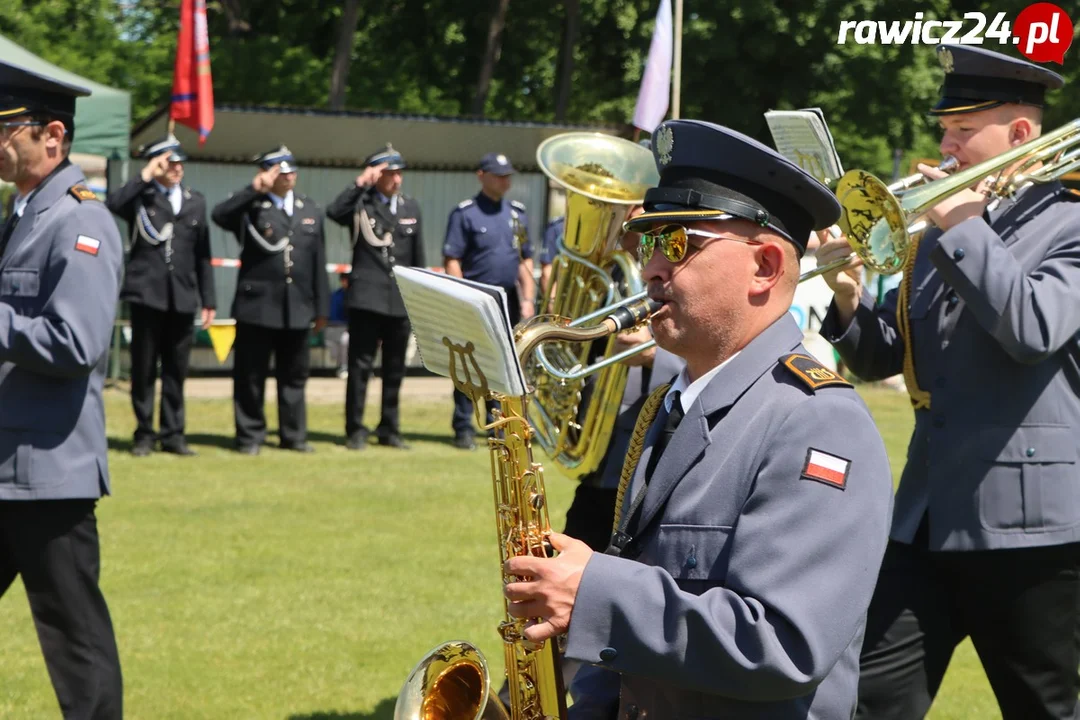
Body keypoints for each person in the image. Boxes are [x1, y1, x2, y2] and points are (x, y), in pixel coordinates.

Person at [501, 119, 894, 719]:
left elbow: (785, 643)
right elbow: (635, 655)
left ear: (765, 266)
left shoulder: (818, 422)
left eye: (677, 244)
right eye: (646, 243)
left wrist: (593, 591)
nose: (651, 268)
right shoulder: (669, 404)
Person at [815, 45, 1080, 720]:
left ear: (1020, 134)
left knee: (1044, 709)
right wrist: (847, 299)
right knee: (866, 700)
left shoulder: (1070, 219)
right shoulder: (938, 234)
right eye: (945, 128)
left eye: (963, 129)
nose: (945, 144)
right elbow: (888, 358)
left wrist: (962, 223)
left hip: (1031, 532)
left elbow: (1031, 328)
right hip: (926, 515)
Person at [0, 60, 123, 718]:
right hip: (7, 466)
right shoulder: (25, 214)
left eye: (3, 130)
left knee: (75, 643)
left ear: (52, 134)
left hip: (50, 473)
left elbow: (77, 343)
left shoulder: (83, 222)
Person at [211, 146, 329, 455]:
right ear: (266, 173)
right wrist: (253, 189)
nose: (287, 176)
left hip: (298, 305)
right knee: (251, 374)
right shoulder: (251, 207)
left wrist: (321, 308)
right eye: (280, 171)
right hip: (258, 305)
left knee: (294, 375)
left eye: (291, 171)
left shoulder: (309, 209)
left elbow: (318, 261)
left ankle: (293, 435)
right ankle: (250, 435)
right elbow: (219, 215)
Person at [106, 133, 215, 457]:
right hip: (147, 294)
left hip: (181, 296)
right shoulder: (142, 196)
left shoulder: (196, 200)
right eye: (170, 163)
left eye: (180, 163)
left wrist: (208, 299)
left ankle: (173, 433)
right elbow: (113, 203)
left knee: (175, 369)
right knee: (143, 369)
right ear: (156, 164)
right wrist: (145, 176)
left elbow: (203, 255)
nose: (177, 169)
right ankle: (144, 433)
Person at [326, 144, 424, 451]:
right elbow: (334, 211)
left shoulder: (411, 208)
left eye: (399, 174)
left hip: (399, 299)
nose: (397, 180)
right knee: (360, 368)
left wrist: (418, 299)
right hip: (367, 298)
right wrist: (360, 183)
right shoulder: (360, 205)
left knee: (395, 369)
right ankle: (355, 428)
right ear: (377, 174)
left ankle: (389, 428)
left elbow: (417, 258)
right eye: (390, 174)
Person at [444, 152, 536, 450]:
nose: (505, 180)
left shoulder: (516, 214)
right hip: (474, 302)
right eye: (498, 175)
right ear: (481, 175)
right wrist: (463, 295)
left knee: (502, 367)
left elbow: (524, 259)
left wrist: (528, 298)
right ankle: (463, 426)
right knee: (467, 366)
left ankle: (497, 426)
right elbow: (453, 259)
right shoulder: (465, 214)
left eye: (507, 175)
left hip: (506, 303)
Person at [326, 272, 350, 378]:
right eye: (343, 280)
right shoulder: (336, 294)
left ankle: (344, 367)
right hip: (332, 326)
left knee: (345, 342)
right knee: (334, 352)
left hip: (346, 327)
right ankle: (340, 366)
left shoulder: (352, 295)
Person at [539, 214, 564, 302]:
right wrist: (552, 304)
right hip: (563, 298)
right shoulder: (557, 228)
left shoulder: (556, 227)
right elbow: (547, 272)